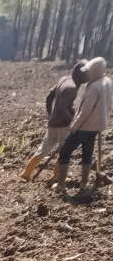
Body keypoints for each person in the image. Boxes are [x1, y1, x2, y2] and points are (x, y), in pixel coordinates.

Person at [22, 60, 86, 181]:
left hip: (53, 122)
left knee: (44, 148)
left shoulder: (64, 80)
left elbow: (49, 96)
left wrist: (50, 114)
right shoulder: (71, 87)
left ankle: (27, 172)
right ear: (80, 75)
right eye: (86, 75)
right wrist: (73, 122)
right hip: (63, 124)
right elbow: (62, 108)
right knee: (64, 150)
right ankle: (57, 175)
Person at [56, 57, 112, 194]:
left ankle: (61, 184)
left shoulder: (94, 87)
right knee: (87, 153)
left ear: (95, 71)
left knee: (65, 152)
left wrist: (75, 125)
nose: (87, 75)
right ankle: (84, 184)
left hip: (84, 126)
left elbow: (85, 111)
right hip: (97, 126)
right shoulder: (107, 82)